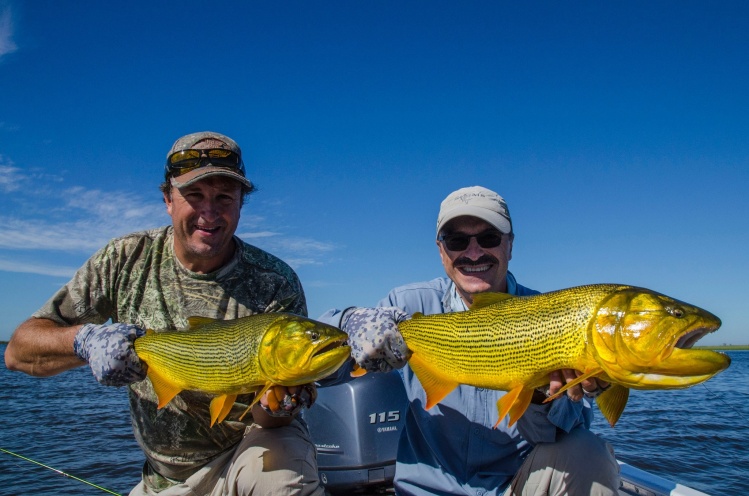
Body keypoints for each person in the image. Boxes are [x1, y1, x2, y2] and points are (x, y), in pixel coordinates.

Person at [4, 131, 324, 496]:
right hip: (162, 477)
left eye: (224, 197)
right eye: (194, 196)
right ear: (167, 200)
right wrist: (84, 341)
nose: (209, 212)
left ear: (240, 204)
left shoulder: (275, 281)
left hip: (247, 454)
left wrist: (280, 402)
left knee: (279, 477)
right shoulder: (125, 259)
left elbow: (269, 419)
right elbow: (17, 351)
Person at [322, 186, 621, 495]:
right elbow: (315, 345)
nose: (474, 253)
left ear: (510, 245)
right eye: (457, 241)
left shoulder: (551, 317)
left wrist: (538, 395)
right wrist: (349, 322)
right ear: (441, 251)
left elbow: (558, 436)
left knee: (587, 450)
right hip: (425, 491)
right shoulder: (409, 306)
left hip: (514, 486)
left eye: (489, 238)